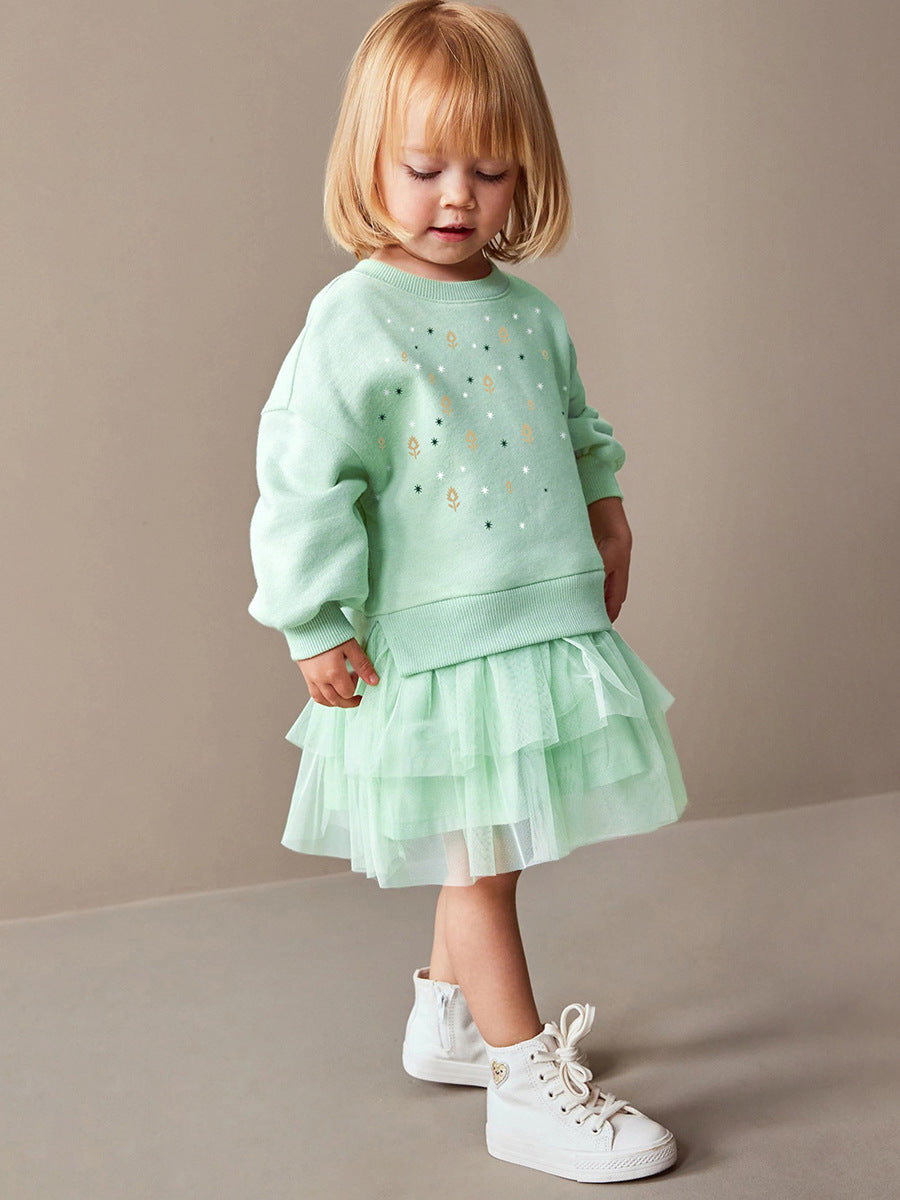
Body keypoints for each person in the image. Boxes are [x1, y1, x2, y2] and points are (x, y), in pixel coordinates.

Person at [247, 0, 688, 1182]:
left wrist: (607, 507)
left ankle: (448, 1019)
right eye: (426, 168)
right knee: (484, 864)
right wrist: (312, 619)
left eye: (489, 173)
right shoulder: (354, 318)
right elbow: (303, 480)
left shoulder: (529, 313)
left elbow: (577, 429)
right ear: (369, 163)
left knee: (492, 848)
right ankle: (523, 1082)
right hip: (443, 652)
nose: (458, 198)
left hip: (535, 622)